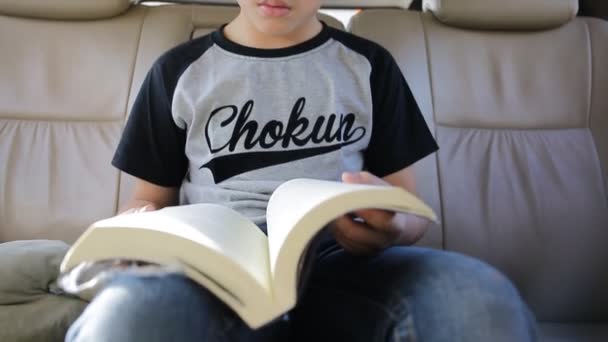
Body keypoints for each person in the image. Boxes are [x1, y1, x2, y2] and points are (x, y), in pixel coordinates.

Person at [66, 0, 537, 341]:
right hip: (216, 272)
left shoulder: (368, 67)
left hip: (343, 261)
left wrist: (389, 226)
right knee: (133, 312)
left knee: (474, 294)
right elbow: (147, 198)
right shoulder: (179, 71)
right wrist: (134, 228)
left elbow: (409, 208)